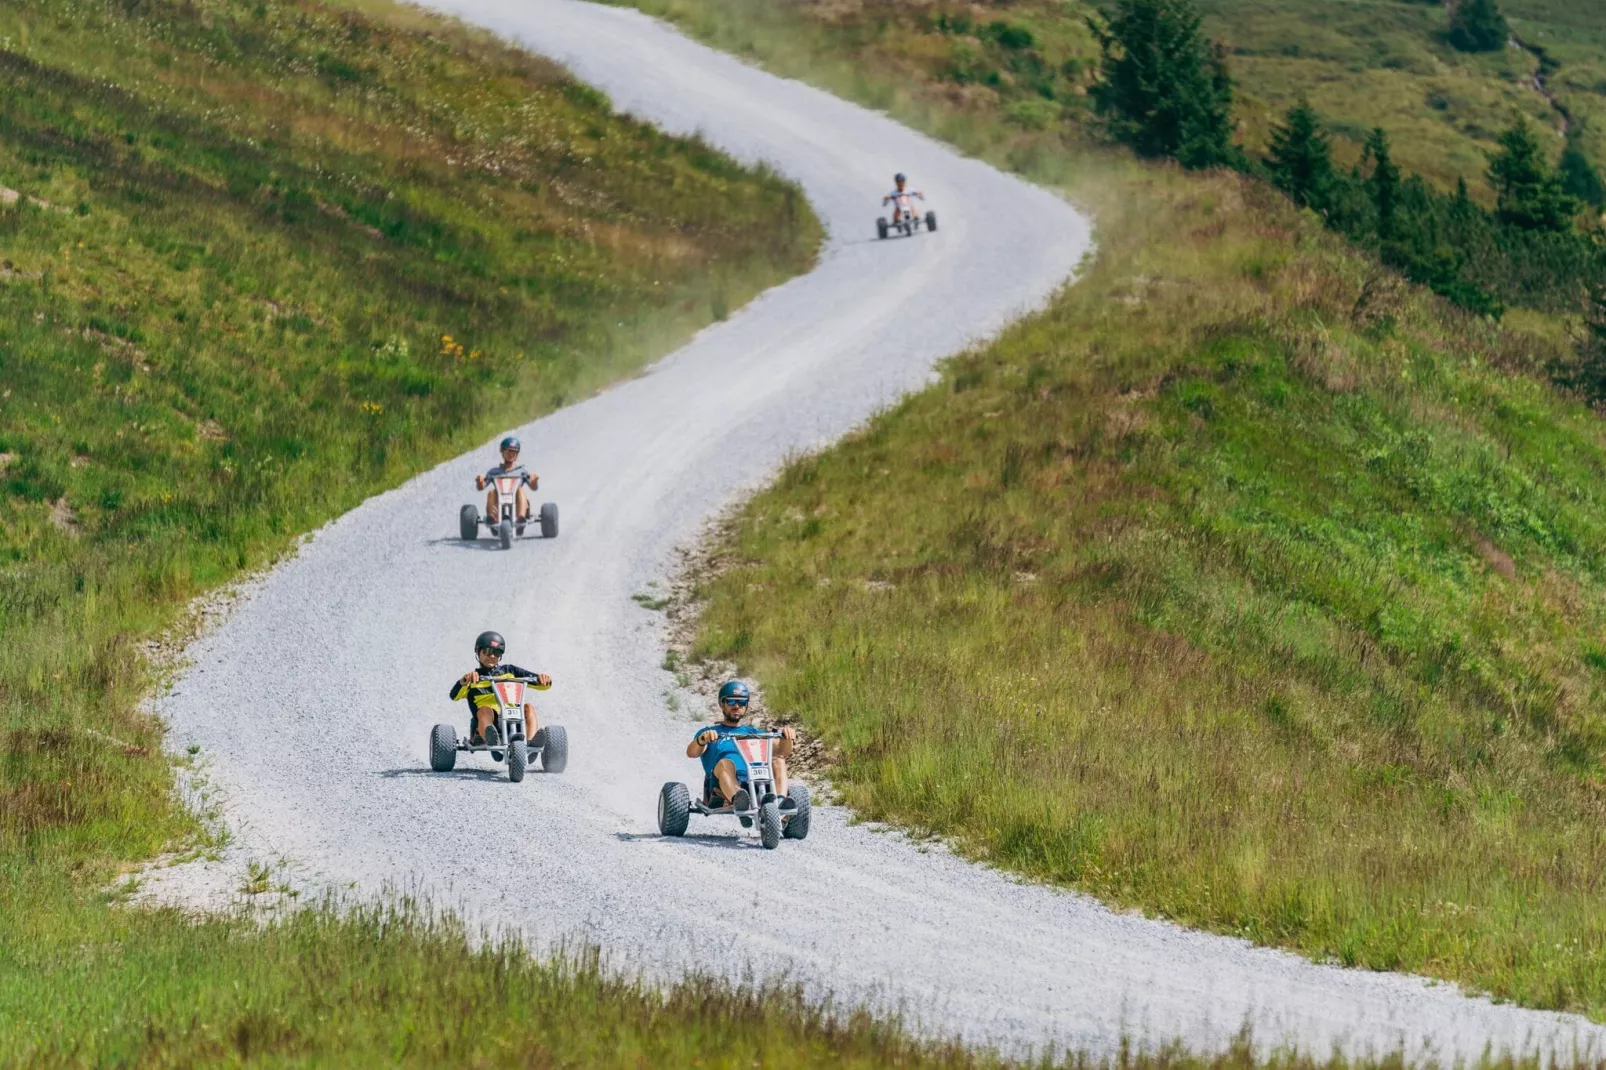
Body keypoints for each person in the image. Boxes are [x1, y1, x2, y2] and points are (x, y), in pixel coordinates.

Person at [685, 679, 797, 814]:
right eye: (731, 701)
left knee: (777, 760)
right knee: (725, 763)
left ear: (746, 706)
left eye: (742, 702)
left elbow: (782, 751)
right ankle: (739, 801)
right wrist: (702, 739)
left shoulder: (753, 733)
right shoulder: (711, 732)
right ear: (722, 704)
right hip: (721, 784)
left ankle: (780, 803)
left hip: (754, 780)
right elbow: (691, 753)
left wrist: (788, 737)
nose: (737, 706)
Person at [449, 631, 551, 747]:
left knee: (529, 707)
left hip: (514, 718)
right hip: (489, 722)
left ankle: (531, 744)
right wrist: (463, 682)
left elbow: (539, 682)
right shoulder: (473, 678)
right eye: (487, 651)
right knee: (485, 710)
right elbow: (454, 696)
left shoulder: (510, 671)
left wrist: (544, 680)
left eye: (496, 653)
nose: (492, 656)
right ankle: (491, 739)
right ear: (478, 651)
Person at [476, 436, 538, 529]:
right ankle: (492, 517)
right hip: (498, 502)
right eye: (508, 451)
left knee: (520, 490)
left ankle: (520, 517)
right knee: (492, 492)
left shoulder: (522, 471)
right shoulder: (494, 471)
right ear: (502, 452)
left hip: (517, 501)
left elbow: (534, 487)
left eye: (513, 452)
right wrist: (480, 482)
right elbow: (481, 487)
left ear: (517, 454)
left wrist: (534, 481)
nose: (510, 454)